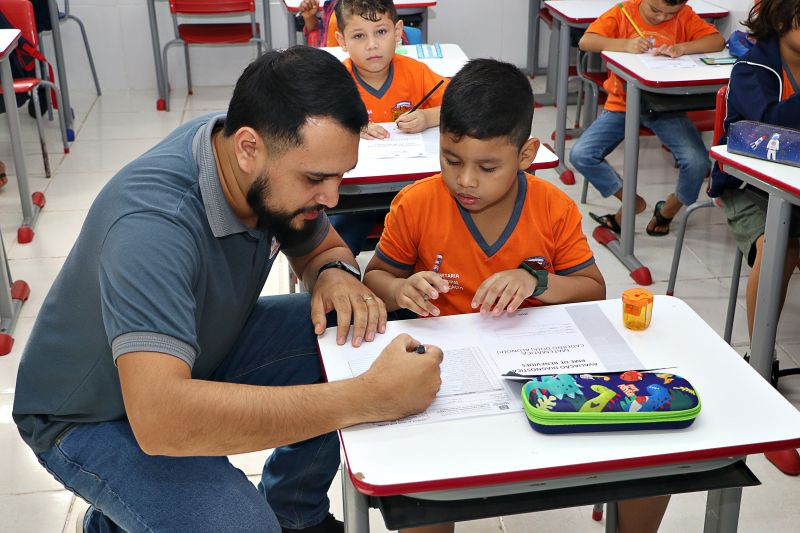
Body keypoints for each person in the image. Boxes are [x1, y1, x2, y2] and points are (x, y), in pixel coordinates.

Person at [12, 46, 444, 533]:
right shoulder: (152, 227)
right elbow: (161, 419)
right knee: (241, 526)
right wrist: (367, 397)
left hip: (197, 350)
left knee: (356, 334)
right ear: (247, 148)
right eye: (316, 179)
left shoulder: (250, 150)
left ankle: (293, 514)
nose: (332, 197)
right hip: (92, 414)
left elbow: (320, 242)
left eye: (340, 176)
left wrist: (335, 274)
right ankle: (114, 520)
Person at [364, 58, 670, 533]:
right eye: (451, 159)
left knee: (655, 456)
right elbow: (375, 279)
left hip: (538, 366)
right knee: (419, 482)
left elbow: (593, 289)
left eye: (487, 166)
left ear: (527, 155)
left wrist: (537, 282)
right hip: (450, 371)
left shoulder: (552, 207)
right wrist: (400, 287)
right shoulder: (417, 203)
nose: (465, 180)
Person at [708, 0, 800, 476]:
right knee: (776, 247)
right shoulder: (753, 66)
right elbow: (768, 127)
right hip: (750, 187)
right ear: (785, 22)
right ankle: (759, 368)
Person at [569, 0, 725, 237]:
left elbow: (716, 41)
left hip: (665, 109)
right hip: (623, 104)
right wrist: (625, 45)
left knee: (697, 162)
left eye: (669, 14)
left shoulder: (683, 15)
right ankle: (631, 202)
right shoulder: (624, 12)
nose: (661, 18)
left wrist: (682, 48)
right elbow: (586, 41)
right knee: (581, 154)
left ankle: (668, 211)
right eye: (655, 10)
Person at [328, 0, 448, 255]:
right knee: (339, 239)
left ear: (397, 32)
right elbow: (314, 122)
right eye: (359, 36)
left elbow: (459, 105)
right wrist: (350, 126)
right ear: (342, 41)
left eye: (381, 32)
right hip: (355, 197)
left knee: (437, 233)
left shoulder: (417, 73)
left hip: (414, 189)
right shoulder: (336, 81)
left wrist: (427, 117)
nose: (372, 45)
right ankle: (340, 281)